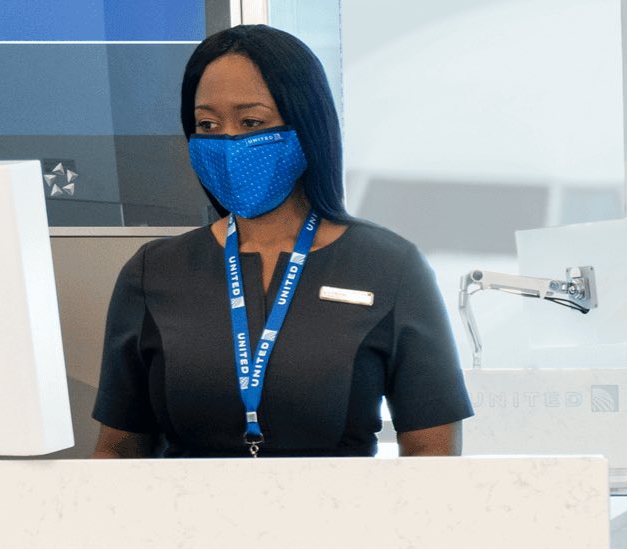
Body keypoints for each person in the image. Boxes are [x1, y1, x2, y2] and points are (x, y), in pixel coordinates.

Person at [92, 25, 470, 459]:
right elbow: (118, 451)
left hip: (346, 522)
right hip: (187, 522)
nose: (229, 141)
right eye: (207, 124)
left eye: (251, 121)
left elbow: (433, 456)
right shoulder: (154, 271)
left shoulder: (389, 266)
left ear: (305, 123)